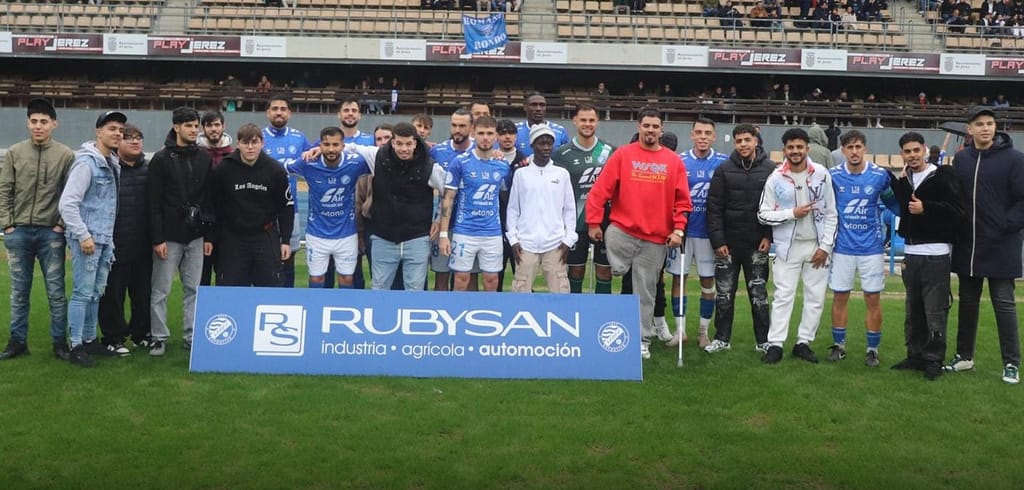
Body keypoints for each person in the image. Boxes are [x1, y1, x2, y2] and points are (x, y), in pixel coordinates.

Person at [586, 108, 692, 360]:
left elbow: (683, 202)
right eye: (647, 125)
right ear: (639, 127)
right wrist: (593, 222)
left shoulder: (673, 161)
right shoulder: (623, 155)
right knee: (614, 268)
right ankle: (618, 272)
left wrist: (678, 230)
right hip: (622, 231)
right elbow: (600, 191)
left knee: (645, 292)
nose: (651, 130)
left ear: (661, 130)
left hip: (654, 239)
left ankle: (642, 339)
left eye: (655, 126)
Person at [948, 106, 1024, 385]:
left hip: (1001, 245)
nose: (985, 128)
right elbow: (955, 199)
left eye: (990, 123)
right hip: (968, 246)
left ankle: (1011, 363)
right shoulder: (962, 159)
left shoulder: (1014, 159)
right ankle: (964, 356)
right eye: (979, 124)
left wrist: (1005, 225)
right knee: (967, 304)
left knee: (1004, 305)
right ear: (969, 129)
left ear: (995, 127)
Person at [0, 99, 75, 361]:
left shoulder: (65, 155)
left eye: (44, 121)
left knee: (56, 292)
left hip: (50, 234)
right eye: (34, 121)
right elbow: (4, 190)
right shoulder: (14, 152)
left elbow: (70, 194)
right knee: (19, 293)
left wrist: (60, 225)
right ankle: (17, 342)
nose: (38, 126)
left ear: (54, 124)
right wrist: (7, 224)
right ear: (27, 123)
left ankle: (60, 343)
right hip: (18, 232)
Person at [888, 132, 965, 380]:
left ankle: (933, 359)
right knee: (913, 311)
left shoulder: (942, 175)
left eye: (915, 150)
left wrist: (926, 208)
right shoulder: (905, 179)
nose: (912, 155)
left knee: (935, 311)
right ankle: (915, 355)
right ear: (902, 154)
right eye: (907, 151)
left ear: (924, 150)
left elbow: (958, 211)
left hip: (936, 254)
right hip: (911, 253)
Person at [758, 128, 838, 364]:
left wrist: (825, 247)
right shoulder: (775, 177)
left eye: (799, 147)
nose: (795, 151)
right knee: (783, 296)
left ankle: (803, 343)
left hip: (816, 245)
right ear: (784, 150)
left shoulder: (821, 174)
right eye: (791, 147)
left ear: (807, 148)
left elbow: (831, 212)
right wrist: (791, 213)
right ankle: (775, 344)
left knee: (815, 297)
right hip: (788, 247)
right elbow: (763, 214)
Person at [58, 110, 126, 367]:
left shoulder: (111, 162)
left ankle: (89, 340)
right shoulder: (86, 163)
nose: (117, 134)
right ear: (98, 132)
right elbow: (67, 204)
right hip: (88, 239)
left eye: (120, 130)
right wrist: (83, 235)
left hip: (104, 238)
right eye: (112, 129)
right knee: (82, 293)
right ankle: (76, 345)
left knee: (96, 293)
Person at [826, 130, 899, 367]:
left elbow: (894, 204)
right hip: (842, 247)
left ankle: (872, 350)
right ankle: (839, 345)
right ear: (843, 151)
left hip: (871, 248)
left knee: (872, 298)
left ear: (865, 148)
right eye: (850, 147)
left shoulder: (880, 176)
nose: (854, 151)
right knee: (840, 296)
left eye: (858, 146)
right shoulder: (833, 176)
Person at [345, 122, 445, 290]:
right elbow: (351, 147)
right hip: (383, 237)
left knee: (415, 291)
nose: (404, 149)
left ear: (415, 143)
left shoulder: (430, 167)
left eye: (408, 144)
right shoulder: (376, 156)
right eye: (399, 143)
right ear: (392, 142)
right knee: (379, 289)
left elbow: (448, 191)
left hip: (417, 238)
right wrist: (319, 150)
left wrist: (439, 218)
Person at [148, 107, 213, 357]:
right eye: (189, 126)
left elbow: (209, 199)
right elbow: (153, 202)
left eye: (196, 126)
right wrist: (157, 238)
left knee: (194, 289)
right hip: (168, 236)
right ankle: (158, 337)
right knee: (161, 289)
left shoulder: (204, 157)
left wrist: (208, 234)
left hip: (196, 235)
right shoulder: (161, 159)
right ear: (176, 127)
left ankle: (191, 336)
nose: (194, 130)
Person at [704, 124, 774, 356]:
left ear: (756, 141)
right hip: (728, 246)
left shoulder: (771, 169)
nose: (743, 144)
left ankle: (764, 340)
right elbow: (714, 208)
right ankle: (721, 339)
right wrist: (718, 241)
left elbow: (776, 207)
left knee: (759, 295)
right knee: (724, 295)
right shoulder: (723, 169)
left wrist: (768, 236)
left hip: (757, 245)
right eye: (739, 141)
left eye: (747, 140)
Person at [665, 118, 728, 349]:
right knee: (678, 279)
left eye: (707, 133)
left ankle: (703, 331)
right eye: (699, 132)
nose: (703, 137)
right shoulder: (679, 160)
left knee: (707, 281)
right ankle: (680, 330)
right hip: (682, 232)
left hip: (708, 233)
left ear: (714, 136)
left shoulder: (723, 162)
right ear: (692, 135)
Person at [209, 124, 294, 287]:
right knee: (230, 288)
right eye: (245, 142)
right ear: (238, 144)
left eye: (254, 142)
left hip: (265, 235)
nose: (250, 147)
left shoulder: (275, 170)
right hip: (233, 238)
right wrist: (211, 238)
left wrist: (285, 240)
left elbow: (286, 207)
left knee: (270, 289)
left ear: (262, 143)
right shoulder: (223, 169)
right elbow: (214, 206)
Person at [285, 127, 370, 288]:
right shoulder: (308, 162)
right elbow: (281, 168)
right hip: (316, 234)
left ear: (343, 145)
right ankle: (316, 304)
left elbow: (379, 160)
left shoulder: (355, 163)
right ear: (320, 146)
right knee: (316, 278)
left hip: (346, 234)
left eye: (335, 144)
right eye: (326, 144)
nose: (331, 149)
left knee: (346, 278)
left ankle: (344, 304)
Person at [438, 116, 512, 292]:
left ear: (496, 135)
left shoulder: (503, 165)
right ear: (473, 133)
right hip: (465, 231)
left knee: (492, 279)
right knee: (461, 278)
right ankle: (458, 308)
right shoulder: (460, 162)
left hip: (492, 232)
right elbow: (448, 198)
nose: (485, 138)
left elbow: (506, 197)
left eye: (489, 133)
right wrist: (443, 234)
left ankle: (489, 309)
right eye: (481, 133)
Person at [551, 103, 616, 295]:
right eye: (583, 120)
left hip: (604, 221)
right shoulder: (562, 154)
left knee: (604, 271)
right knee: (575, 270)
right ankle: (575, 310)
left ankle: (601, 310)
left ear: (597, 122)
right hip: (574, 222)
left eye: (591, 120)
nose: (587, 124)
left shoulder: (610, 151)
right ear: (575, 121)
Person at [97, 124, 150, 356]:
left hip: (143, 245)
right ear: (119, 142)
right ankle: (113, 338)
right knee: (113, 295)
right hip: (115, 244)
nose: (135, 141)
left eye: (139, 137)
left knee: (142, 294)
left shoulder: (149, 169)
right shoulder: (109, 168)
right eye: (129, 138)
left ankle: (141, 334)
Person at [506, 125, 576, 293]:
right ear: (532, 145)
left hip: (555, 243)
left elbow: (569, 209)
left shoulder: (562, 174)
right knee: (520, 294)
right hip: (525, 243)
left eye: (549, 143)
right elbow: (513, 209)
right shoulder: (521, 174)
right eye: (541, 143)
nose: (546, 148)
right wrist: (513, 239)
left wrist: (568, 239)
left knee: (560, 294)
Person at [263, 94, 311, 288]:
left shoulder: (300, 138)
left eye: (283, 109)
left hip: (291, 209)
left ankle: (288, 297)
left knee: (288, 257)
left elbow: (311, 166)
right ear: (268, 113)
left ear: (289, 113)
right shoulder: (259, 137)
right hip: (262, 209)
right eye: (275, 109)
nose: (279, 112)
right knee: (263, 257)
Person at [429, 108, 474, 291]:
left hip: (470, 225)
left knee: (469, 277)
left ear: (471, 127)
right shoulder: (437, 151)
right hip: (443, 224)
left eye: (462, 126)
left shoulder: (480, 151)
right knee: (441, 274)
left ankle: (469, 308)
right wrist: (435, 218)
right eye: (454, 125)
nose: (457, 130)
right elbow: (430, 188)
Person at [197, 111, 232, 286]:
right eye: (209, 125)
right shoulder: (195, 154)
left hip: (227, 227)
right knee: (200, 279)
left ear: (223, 126)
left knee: (225, 279)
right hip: (200, 226)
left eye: (217, 125)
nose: (213, 129)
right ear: (203, 128)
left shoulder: (233, 155)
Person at [495, 118, 529, 292]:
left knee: (521, 273)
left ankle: (524, 305)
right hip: (496, 224)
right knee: (496, 274)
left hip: (519, 225)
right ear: (496, 136)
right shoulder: (491, 158)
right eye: (502, 133)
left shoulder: (525, 161)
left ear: (516, 136)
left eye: (510, 133)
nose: (507, 137)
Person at [515, 93, 570, 158]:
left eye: (542, 105)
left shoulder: (560, 131)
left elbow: (567, 156)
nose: (538, 108)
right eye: (534, 105)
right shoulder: (515, 130)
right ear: (525, 107)